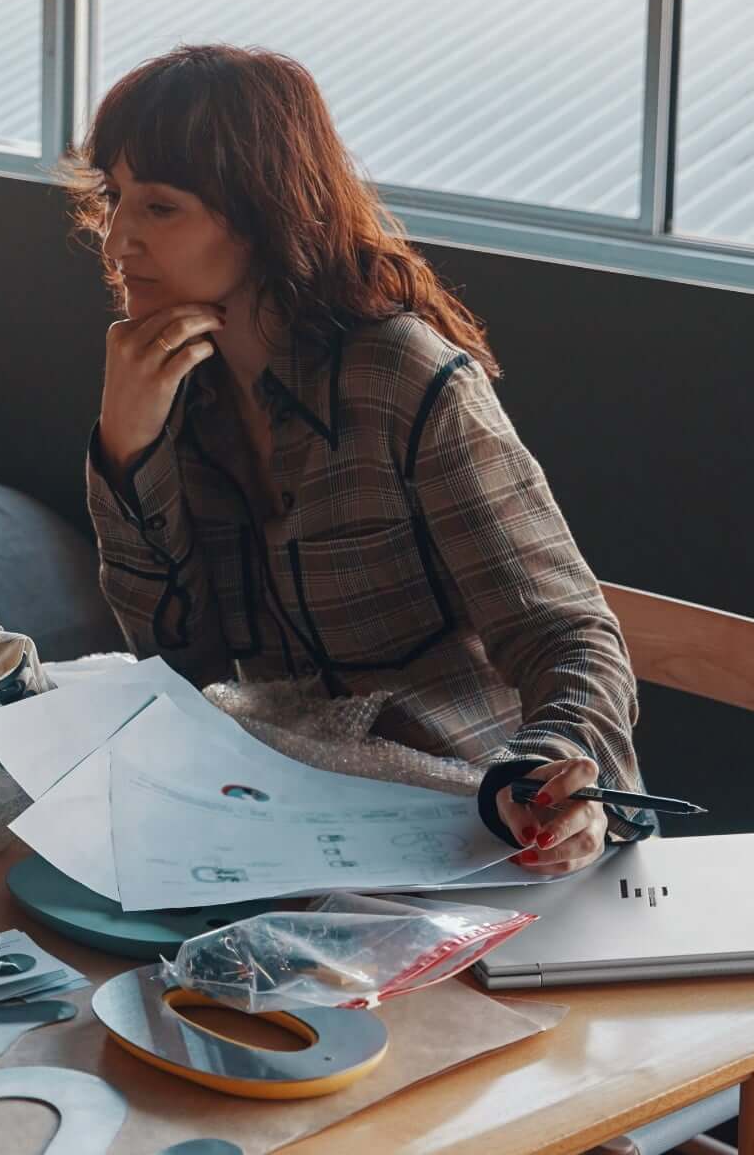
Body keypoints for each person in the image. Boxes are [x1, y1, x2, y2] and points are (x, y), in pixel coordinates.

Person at [71, 45, 647, 874]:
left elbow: (566, 633)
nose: (117, 238)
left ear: (260, 212)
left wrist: (555, 767)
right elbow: (180, 662)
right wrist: (127, 451)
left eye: (159, 207)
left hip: (473, 817)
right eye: (112, 198)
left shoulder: (402, 378)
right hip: (295, 806)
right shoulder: (171, 386)